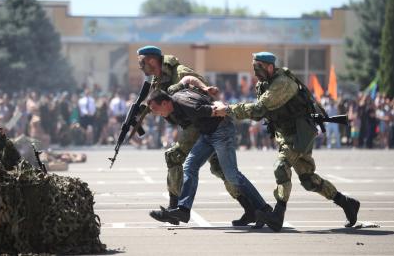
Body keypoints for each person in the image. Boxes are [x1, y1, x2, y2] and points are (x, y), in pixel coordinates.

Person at [213, 51, 361, 232]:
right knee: (308, 180)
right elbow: (262, 114)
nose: (255, 72)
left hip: (299, 134)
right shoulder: (264, 84)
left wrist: (227, 109)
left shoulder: (282, 83)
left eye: (258, 68)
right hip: (286, 134)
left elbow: (259, 109)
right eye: (254, 68)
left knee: (281, 167)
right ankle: (347, 203)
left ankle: (278, 214)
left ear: (269, 67)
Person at [135, 45, 257, 226]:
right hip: (198, 127)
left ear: (152, 60)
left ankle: (175, 209)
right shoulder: (158, 80)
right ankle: (251, 208)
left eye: (142, 62)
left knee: (174, 156)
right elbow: (162, 105)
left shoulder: (180, 71)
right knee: (221, 169)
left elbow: (204, 95)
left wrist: (218, 111)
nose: (140, 67)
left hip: (201, 125)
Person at [147, 89, 271, 225]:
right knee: (190, 166)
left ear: (165, 103)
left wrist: (217, 107)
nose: (155, 113)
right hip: (207, 134)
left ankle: (265, 209)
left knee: (232, 175)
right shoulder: (175, 99)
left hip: (221, 132)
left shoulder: (184, 103)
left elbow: (208, 109)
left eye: (155, 109)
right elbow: (189, 80)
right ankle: (183, 209)